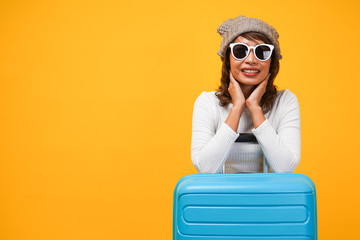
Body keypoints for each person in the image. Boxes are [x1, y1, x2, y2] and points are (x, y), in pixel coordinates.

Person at [191, 16, 300, 174]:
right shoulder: (207, 103)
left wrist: (255, 109)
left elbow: (285, 169)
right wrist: (237, 108)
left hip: (268, 198)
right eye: (240, 51)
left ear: (272, 62)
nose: (251, 60)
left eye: (261, 52)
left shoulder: (285, 102)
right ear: (228, 59)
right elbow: (205, 169)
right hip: (220, 198)